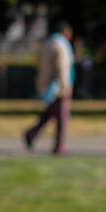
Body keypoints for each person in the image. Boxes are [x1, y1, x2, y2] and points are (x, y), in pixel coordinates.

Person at [23, 20, 75, 154]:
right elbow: (62, 67)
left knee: (50, 114)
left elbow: (38, 64)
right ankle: (59, 147)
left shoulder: (46, 44)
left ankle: (31, 134)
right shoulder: (61, 45)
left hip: (46, 86)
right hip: (58, 87)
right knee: (62, 118)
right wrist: (64, 85)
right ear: (65, 32)